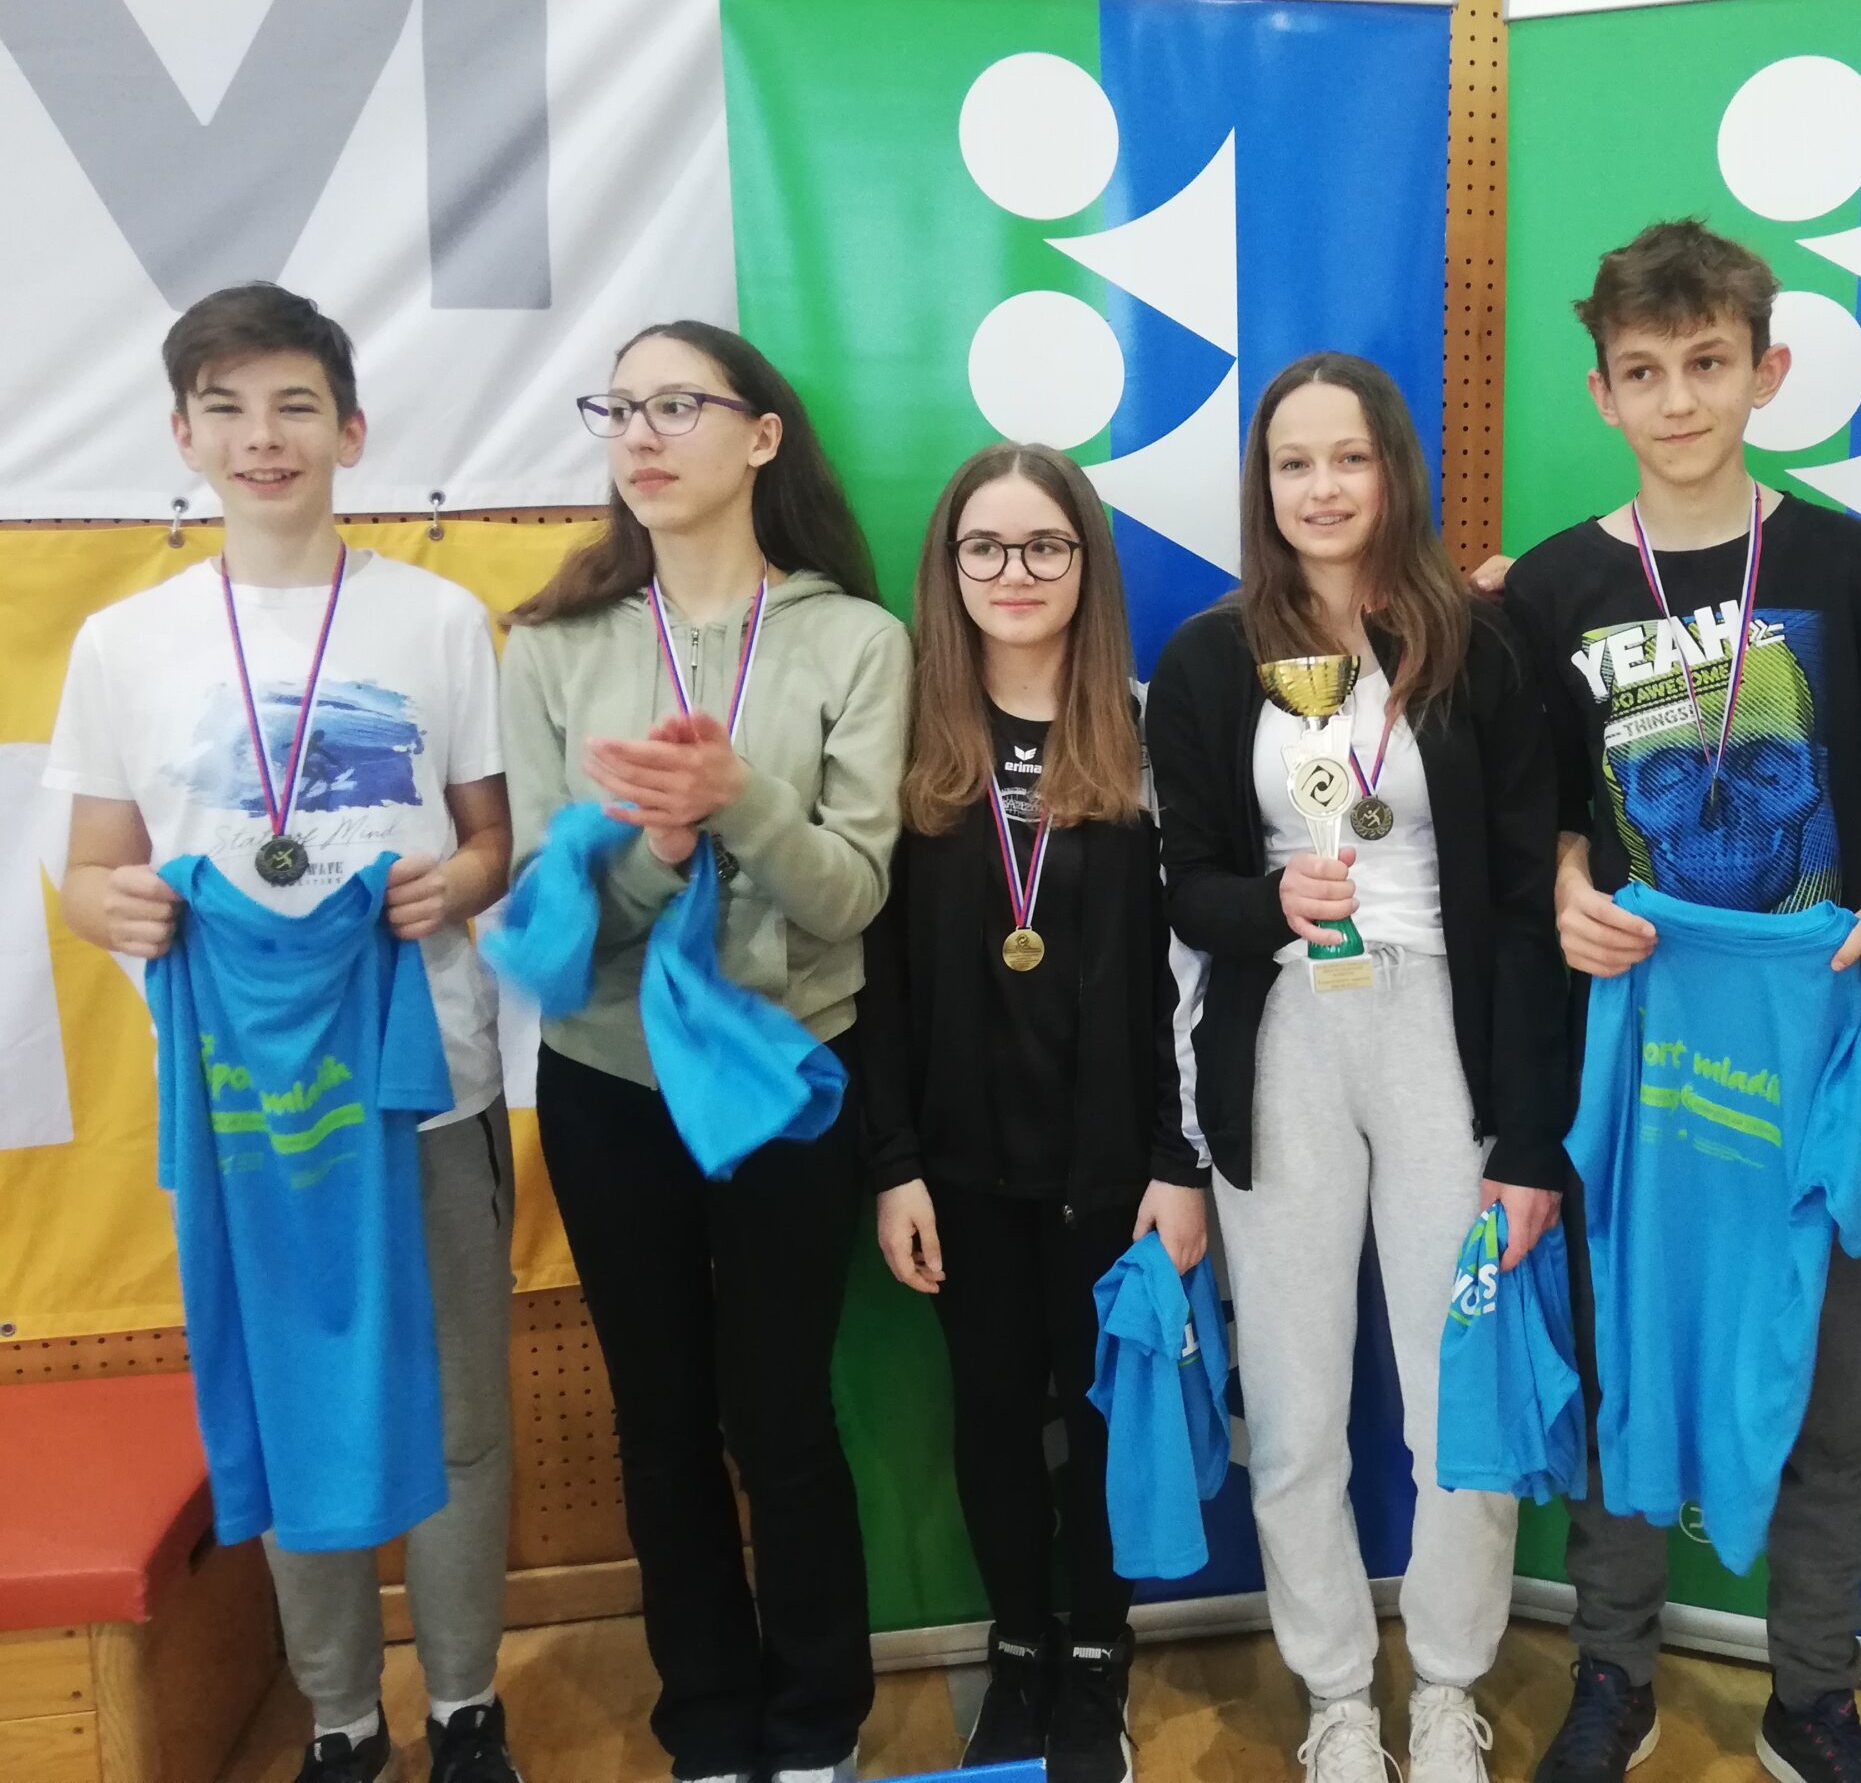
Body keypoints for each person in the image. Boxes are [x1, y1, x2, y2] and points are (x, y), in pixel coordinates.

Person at [48, 283, 522, 1783]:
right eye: (231, 409)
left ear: (351, 431)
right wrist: (116, 909)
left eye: (296, 406)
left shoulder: (436, 619)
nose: (265, 438)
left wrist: (459, 882)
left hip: (425, 1086)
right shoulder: (125, 644)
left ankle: (466, 1707)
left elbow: (492, 839)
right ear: (184, 434)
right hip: (246, 1106)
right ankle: (339, 1719)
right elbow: (86, 873)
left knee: (461, 1416)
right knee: (284, 1403)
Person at [1498, 220, 1861, 1783]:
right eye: (1643, 371)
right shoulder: (1552, 586)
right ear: (1602, 391)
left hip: (1816, 1034)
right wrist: (1567, 886)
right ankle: (1614, 1676)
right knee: (1630, 1370)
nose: (1677, 399)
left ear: (1768, 369)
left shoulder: (1850, 566)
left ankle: (1812, 1697)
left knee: (1834, 1394)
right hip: (1639, 1047)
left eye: (1706, 364)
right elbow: (1540, 806)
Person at [1146, 353, 1572, 1783]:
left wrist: (1529, 1136)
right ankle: (1336, 1694)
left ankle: (1447, 1686)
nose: (1322, 488)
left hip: (1445, 1029)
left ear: (1395, 468)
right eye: (1293, 463)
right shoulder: (1209, 660)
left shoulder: (1478, 646)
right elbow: (1188, 886)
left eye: (1349, 458)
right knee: (1295, 1397)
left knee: (1458, 1393)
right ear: (1262, 487)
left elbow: (1523, 900)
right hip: (1284, 1034)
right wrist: (1274, 902)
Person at [498, 322, 911, 1783]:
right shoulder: (553, 645)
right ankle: (710, 1727)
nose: (642, 435)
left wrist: (736, 800)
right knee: (660, 1421)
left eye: (678, 405)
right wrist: (654, 850)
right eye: (620, 409)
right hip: (611, 1081)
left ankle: (815, 1727)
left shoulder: (855, 642)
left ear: (762, 435)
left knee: (780, 1414)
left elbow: (852, 896)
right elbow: (545, 917)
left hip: (787, 1076)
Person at [862, 442, 1210, 1783]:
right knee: (994, 1416)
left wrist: (1179, 1162)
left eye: (1046, 546)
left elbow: (1189, 978)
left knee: (1107, 1414)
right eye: (986, 547)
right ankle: (1018, 1649)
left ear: (1087, 565)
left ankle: (1098, 1657)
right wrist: (893, 1163)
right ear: (948, 568)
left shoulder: (1146, 736)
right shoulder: (906, 748)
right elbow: (876, 983)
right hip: (959, 1170)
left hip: (1113, 1170)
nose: (1016, 572)